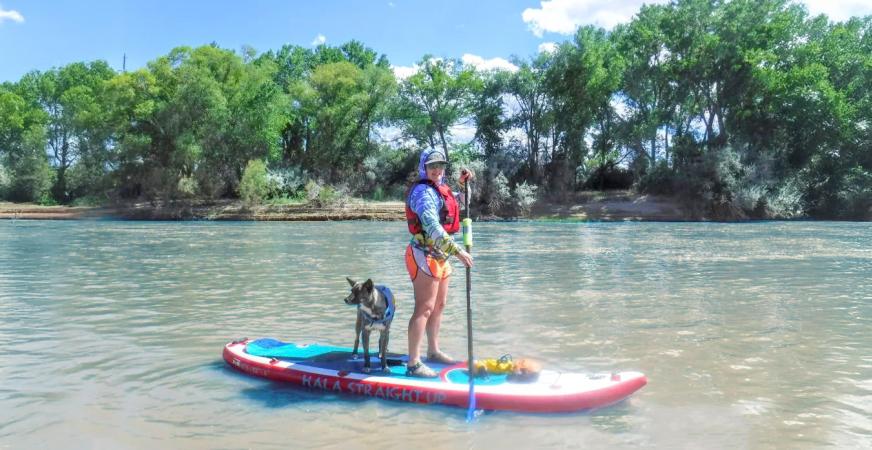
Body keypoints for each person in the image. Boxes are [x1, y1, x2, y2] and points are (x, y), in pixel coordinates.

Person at [404, 147, 474, 377]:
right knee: (424, 308)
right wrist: (458, 251)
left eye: (440, 165)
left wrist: (465, 185)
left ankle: (433, 351)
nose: (436, 170)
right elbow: (432, 227)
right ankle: (413, 363)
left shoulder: (441, 189)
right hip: (424, 255)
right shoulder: (423, 193)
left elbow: (460, 204)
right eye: (432, 165)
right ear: (423, 167)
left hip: (441, 256)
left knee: (439, 306)